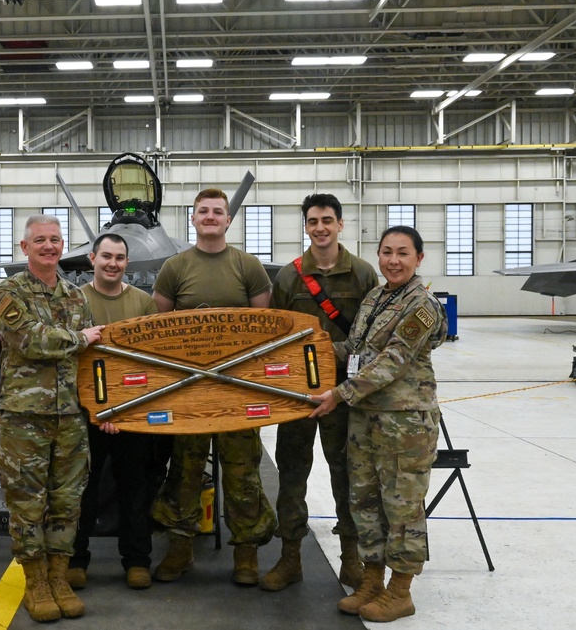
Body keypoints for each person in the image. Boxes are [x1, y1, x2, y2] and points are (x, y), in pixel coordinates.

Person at [308, 225, 446, 623]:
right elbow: (355, 348)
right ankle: (372, 581)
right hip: (365, 418)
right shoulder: (376, 297)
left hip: (404, 424)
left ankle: (400, 591)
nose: (393, 260)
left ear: (418, 258)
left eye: (403, 253)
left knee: (402, 508)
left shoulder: (422, 305)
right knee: (364, 502)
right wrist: (307, 350)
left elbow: (393, 361)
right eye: (387, 252)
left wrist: (338, 394)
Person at [150, 188, 278, 586]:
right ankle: (180, 548)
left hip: (236, 389)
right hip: (189, 390)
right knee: (185, 470)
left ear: (227, 219)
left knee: (242, 472)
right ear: (193, 219)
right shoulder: (175, 267)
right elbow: (158, 328)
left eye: (217, 211)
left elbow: (265, 328)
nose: (209, 217)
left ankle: (246, 553)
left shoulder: (248, 266)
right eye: (202, 211)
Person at [0, 214, 105, 623]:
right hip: (25, 418)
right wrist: (79, 339)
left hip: (71, 416)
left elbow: (91, 360)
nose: (49, 246)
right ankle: (35, 582)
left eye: (56, 240)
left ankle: (58, 576)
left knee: (66, 502)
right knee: (26, 502)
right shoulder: (8, 292)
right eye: (40, 240)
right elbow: (29, 340)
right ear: (25, 248)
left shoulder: (76, 296)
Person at [262, 194, 378, 593]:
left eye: (327, 220)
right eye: (313, 221)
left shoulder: (362, 275)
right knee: (291, 474)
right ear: (306, 226)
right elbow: (275, 337)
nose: (320, 228)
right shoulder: (290, 277)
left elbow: (370, 339)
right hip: (297, 396)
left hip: (343, 395)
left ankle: (351, 556)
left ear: (340, 224)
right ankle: (289, 556)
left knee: (347, 476)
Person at [68, 233, 165, 591]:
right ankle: (76, 560)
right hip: (86, 413)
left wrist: (122, 410)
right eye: (106, 256)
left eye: (119, 258)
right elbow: (71, 356)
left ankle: (138, 561)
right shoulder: (74, 300)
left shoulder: (143, 303)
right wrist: (98, 409)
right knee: (82, 490)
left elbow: (153, 361)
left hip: (131, 413)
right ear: (92, 258)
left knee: (135, 491)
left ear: (127, 262)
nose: (112, 263)